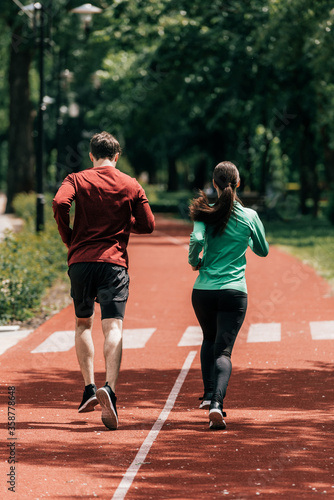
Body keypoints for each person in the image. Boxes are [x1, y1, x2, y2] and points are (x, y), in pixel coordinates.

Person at [53, 131, 155, 430]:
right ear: (117, 156)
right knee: (113, 326)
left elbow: (60, 203)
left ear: (91, 155)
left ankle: (88, 388)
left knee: (83, 323)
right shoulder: (130, 183)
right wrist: (124, 222)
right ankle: (109, 387)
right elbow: (148, 225)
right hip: (113, 263)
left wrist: (69, 238)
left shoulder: (76, 178)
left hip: (81, 261)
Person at [188, 161, 269, 430]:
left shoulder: (205, 213)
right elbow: (262, 250)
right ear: (238, 183)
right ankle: (216, 406)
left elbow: (197, 240)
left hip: (203, 290)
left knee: (207, 338)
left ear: (214, 184)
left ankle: (209, 393)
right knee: (223, 351)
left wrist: (195, 261)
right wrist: (243, 238)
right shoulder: (249, 216)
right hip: (234, 291)